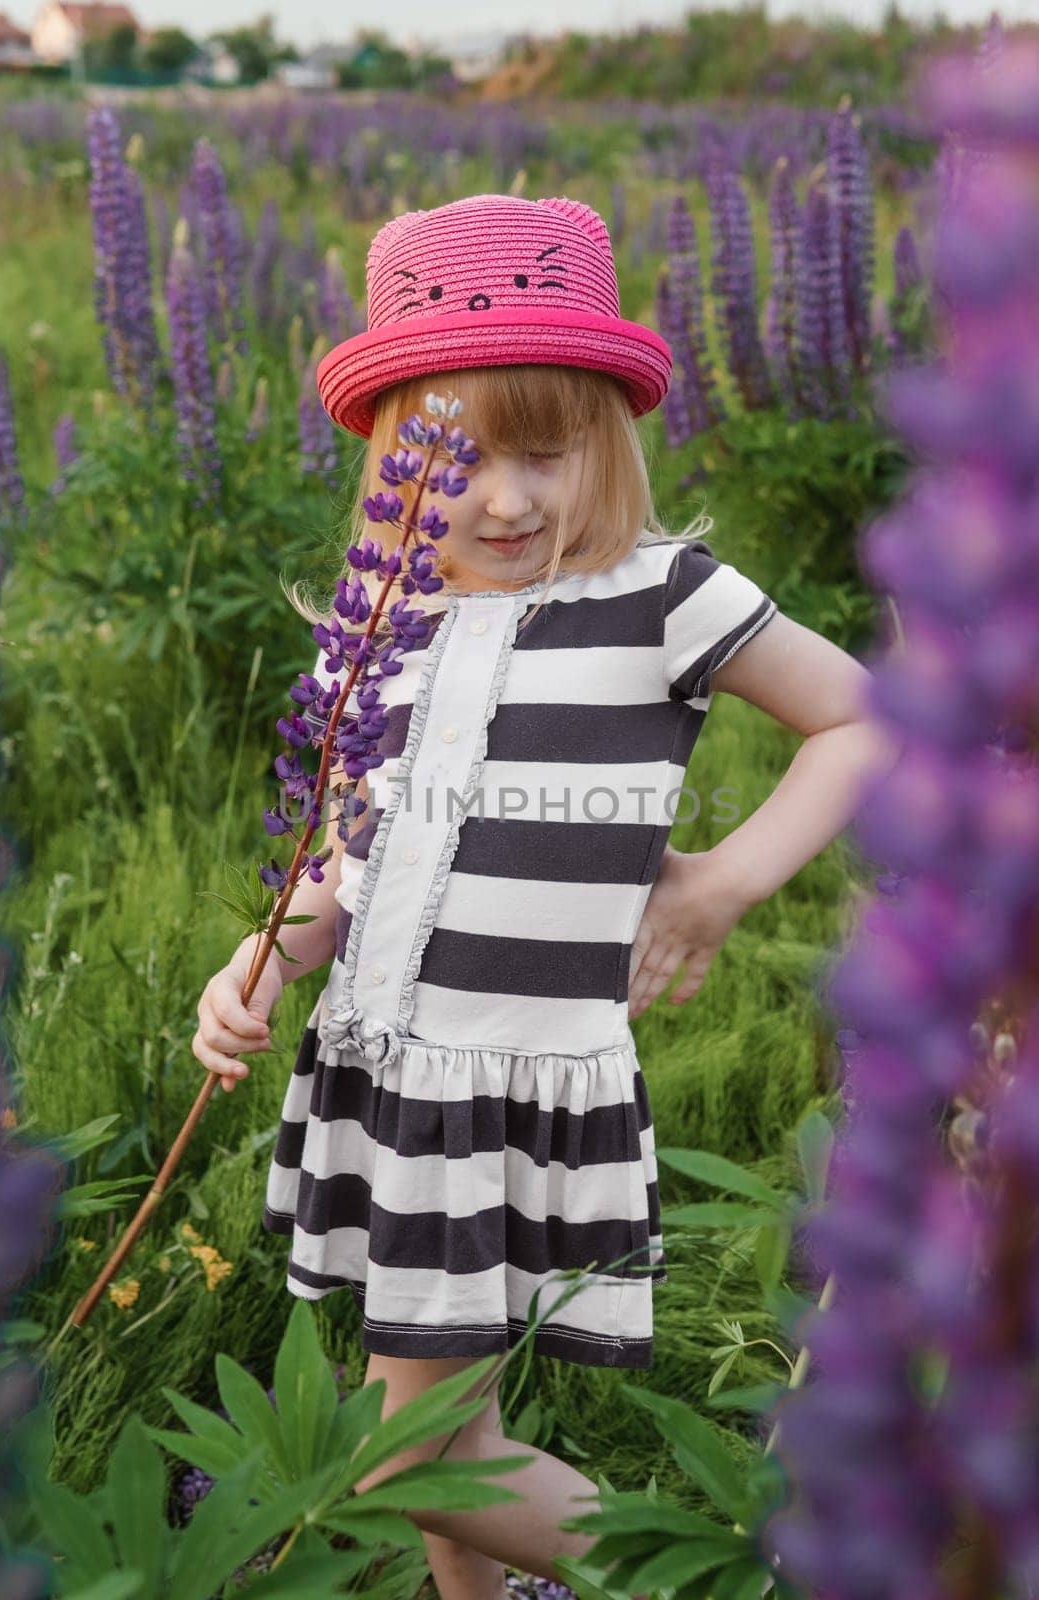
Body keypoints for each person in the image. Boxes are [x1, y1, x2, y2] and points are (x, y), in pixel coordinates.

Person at [192, 193, 899, 1599]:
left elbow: (865, 719)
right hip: (390, 1077)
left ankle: (721, 1580)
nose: (505, 499)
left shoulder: (661, 596)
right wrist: (262, 964)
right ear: (394, 461)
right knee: (446, 1432)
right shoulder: (371, 630)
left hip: (520, 1083)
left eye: (546, 451)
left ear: (609, 444)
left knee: (413, 1455)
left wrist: (722, 885)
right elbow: (344, 868)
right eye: (458, 460)